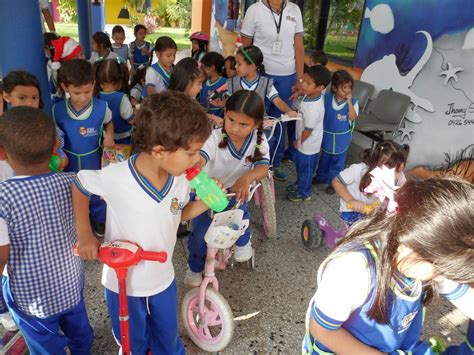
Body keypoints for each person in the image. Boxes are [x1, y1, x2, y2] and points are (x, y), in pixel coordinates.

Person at [73, 91, 214, 354]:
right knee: (131, 340)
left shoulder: (181, 179)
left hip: (162, 277)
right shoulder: (117, 178)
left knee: (168, 336)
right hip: (122, 282)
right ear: (160, 151)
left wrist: (206, 202)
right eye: (192, 153)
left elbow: (175, 215)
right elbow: (80, 184)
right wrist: (84, 234)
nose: (197, 160)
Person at [302, 177, 474, 354]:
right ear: (410, 249)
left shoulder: (427, 258)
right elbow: (322, 330)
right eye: (441, 270)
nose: (441, 276)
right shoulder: (353, 269)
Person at [0, 107, 93, 353]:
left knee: (44, 344)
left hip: (30, 297)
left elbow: (1, 254)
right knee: (78, 328)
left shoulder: (3, 197)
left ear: (1, 153)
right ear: (55, 147)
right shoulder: (73, 181)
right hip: (70, 283)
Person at [185, 90, 270, 287]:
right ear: (224, 113)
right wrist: (200, 175)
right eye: (231, 120)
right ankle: (195, 267)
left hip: (233, 191)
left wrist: (247, 177)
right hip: (206, 193)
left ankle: (243, 242)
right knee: (199, 236)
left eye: (243, 124)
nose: (235, 128)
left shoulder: (258, 140)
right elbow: (200, 160)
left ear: (256, 124)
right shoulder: (213, 138)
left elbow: (263, 168)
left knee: (240, 218)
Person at [241, 0, 305, 181]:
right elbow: (246, 47)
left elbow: (299, 47)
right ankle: (249, 161)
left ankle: (272, 165)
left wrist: (299, 78)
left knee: (279, 122)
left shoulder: (294, 10)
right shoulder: (254, 10)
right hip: (261, 73)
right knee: (255, 117)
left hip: (287, 74)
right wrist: (247, 73)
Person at [53, 59, 114, 235]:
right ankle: (78, 223)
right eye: (76, 92)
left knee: (97, 194)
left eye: (87, 91)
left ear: (94, 84)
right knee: (72, 194)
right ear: (65, 88)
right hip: (68, 164)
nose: (83, 97)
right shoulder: (57, 110)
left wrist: (109, 135)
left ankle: (100, 221)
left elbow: (109, 123)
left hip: (93, 160)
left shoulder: (102, 107)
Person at [332, 141, 409, 225]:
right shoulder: (359, 170)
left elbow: (402, 193)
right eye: (389, 169)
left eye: (399, 170)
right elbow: (336, 181)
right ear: (376, 163)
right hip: (352, 210)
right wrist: (351, 200)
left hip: (375, 211)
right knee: (358, 235)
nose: (394, 175)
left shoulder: (400, 177)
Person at [286, 65, 331, 202]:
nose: (303, 85)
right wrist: (299, 93)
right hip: (304, 143)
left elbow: (308, 131)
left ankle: (304, 192)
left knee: (306, 169)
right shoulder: (310, 95)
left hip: (309, 146)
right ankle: (301, 184)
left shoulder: (314, 109)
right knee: (301, 167)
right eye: (303, 81)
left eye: (308, 83)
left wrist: (297, 141)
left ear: (320, 88)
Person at [314, 70, 359, 194]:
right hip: (327, 135)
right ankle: (320, 177)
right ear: (334, 88)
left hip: (341, 139)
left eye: (350, 87)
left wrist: (349, 102)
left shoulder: (353, 103)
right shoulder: (326, 99)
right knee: (325, 158)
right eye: (344, 88)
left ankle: (333, 183)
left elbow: (352, 117)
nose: (348, 91)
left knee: (337, 162)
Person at [225, 46, 298, 120]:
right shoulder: (232, 82)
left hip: (259, 125)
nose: (235, 66)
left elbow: (277, 101)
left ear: (252, 66)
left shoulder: (265, 83)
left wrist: (289, 111)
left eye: (239, 64)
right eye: (236, 63)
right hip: (237, 125)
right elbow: (227, 104)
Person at [96, 59, 135, 145]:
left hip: (105, 138)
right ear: (120, 82)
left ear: (100, 83)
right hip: (123, 139)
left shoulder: (96, 97)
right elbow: (131, 120)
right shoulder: (122, 98)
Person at [200, 52, 226, 120]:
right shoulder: (203, 81)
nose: (201, 70)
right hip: (203, 118)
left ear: (212, 68)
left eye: (203, 67)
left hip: (218, 120)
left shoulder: (225, 83)